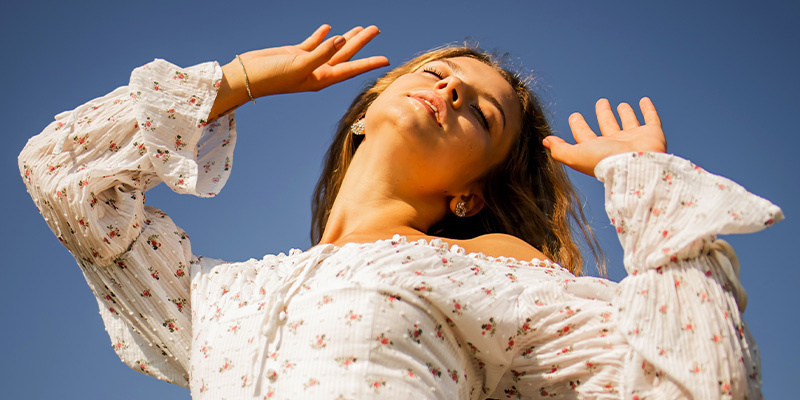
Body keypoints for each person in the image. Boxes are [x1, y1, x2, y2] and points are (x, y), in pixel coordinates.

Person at [18, 24, 781, 399]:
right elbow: (63, 173)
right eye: (439, 73)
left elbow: (699, 384)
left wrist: (648, 185)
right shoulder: (220, 297)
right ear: (364, 110)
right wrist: (241, 78)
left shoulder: (484, 267)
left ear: (471, 194)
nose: (450, 90)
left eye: (481, 113)